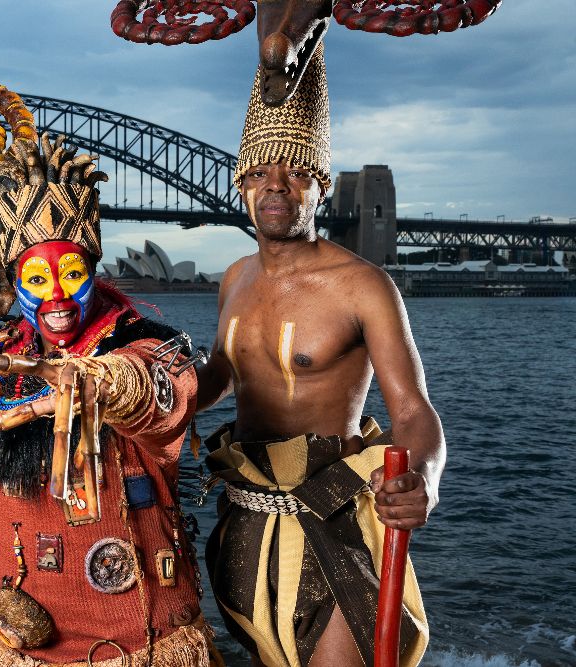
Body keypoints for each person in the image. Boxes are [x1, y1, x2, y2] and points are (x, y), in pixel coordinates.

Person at [0, 135, 221, 666]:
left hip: (129, 642)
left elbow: (163, 396)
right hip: (0, 632)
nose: (55, 296)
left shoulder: (143, 342)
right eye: (37, 279)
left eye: (71, 275)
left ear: (93, 272)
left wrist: (104, 379)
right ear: (15, 282)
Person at [196, 44, 441, 667]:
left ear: (322, 187)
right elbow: (218, 378)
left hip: (332, 520)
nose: (276, 186)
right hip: (245, 518)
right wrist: (134, 387)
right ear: (241, 185)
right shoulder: (234, 278)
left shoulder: (362, 285)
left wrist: (423, 479)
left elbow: (413, 410)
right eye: (259, 173)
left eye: (297, 173)